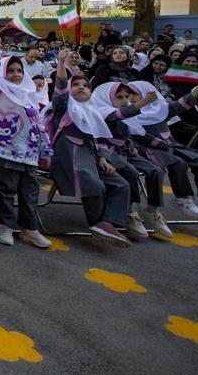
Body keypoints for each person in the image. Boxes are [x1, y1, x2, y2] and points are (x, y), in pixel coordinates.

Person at [47, 49, 152, 247]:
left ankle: (109, 223)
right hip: (70, 154)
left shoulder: (94, 111)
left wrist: (103, 157)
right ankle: (98, 223)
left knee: (121, 184)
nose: (81, 88)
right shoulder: (64, 106)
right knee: (95, 185)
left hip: (92, 156)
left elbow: (100, 138)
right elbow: (60, 87)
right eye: (76, 84)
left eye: (85, 85)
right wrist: (61, 62)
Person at [0, 34, 52, 248]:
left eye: (19, 71)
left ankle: (30, 229)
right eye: (10, 70)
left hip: (28, 153)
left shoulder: (29, 94)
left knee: (30, 191)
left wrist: (45, 150)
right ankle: (6, 226)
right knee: (7, 189)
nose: (15, 74)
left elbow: (39, 125)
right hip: (3, 150)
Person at [90, 82, 171, 238]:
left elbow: (129, 134)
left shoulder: (125, 114)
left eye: (126, 97)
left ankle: (152, 210)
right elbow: (118, 116)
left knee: (156, 171)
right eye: (119, 97)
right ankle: (130, 212)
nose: (125, 100)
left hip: (124, 151)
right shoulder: (103, 111)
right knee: (130, 171)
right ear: (107, 97)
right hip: (109, 152)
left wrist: (131, 145)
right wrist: (142, 103)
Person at [126, 80, 198, 217]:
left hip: (171, 146)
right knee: (178, 163)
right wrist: (164, 147)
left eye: (134, 94)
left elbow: (185, 102)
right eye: (128, 95)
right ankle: (183, 199)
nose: (130, 98)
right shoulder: (127, 113)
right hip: (148, 149)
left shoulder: (160, 109)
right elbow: (139, 136)